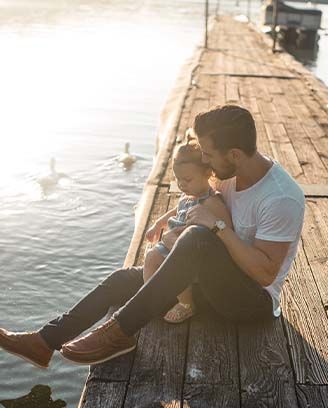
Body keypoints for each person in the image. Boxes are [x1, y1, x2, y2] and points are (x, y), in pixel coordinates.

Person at [0, 104, 305, 368]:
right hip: (208, 282)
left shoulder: (280, 198)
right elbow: (196, 207)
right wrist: (169, 221)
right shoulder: (230, 176)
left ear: (235, 154)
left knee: (197, 238)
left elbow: (265, 274)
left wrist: (218, 228)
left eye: (209, 155)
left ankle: (119, 332)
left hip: (249, 303)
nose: (206, 163)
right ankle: (43, 342)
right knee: (122, 280)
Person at [144, 130, 232, 323]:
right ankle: (154, 297)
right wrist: (158, 224)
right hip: (172, 241)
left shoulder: (211, 201)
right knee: (150, 257)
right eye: (178, 179)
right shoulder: (188, 196)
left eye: (188, 180)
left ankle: (187, 304)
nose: (182, 184)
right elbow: (176, 211)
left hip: (189, 250)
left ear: (208, 173)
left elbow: (226, 228)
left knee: (177, 266)